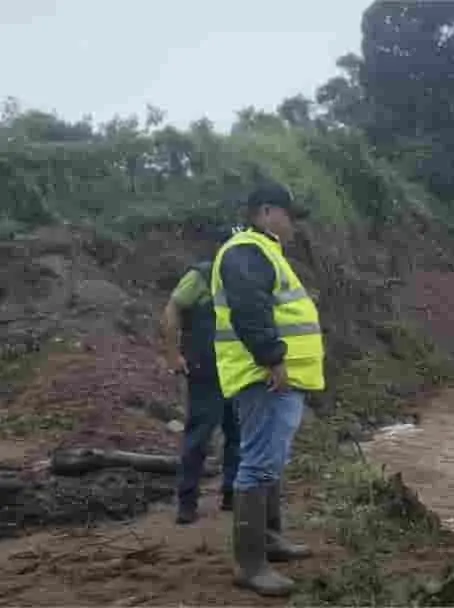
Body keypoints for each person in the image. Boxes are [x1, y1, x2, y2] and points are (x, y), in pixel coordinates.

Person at [211, 181, 326, 596]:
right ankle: (251, 565)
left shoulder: (263, 251)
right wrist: (272, 358)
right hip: (262, 376)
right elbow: (248, 307)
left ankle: (270, 541)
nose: (295, 225)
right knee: (258, 464)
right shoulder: (247, 251)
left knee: (269, 461)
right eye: (290, 215)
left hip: (274, 377)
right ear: (265, 212)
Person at [162, 258, 241, 525]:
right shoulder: (202, 275)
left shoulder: (247, 272)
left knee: (237, 431)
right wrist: (173, 354)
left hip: (237, 366)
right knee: (199, 433)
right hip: (205, 365)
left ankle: (232, 492)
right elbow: (173, 308)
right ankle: (187, 501)